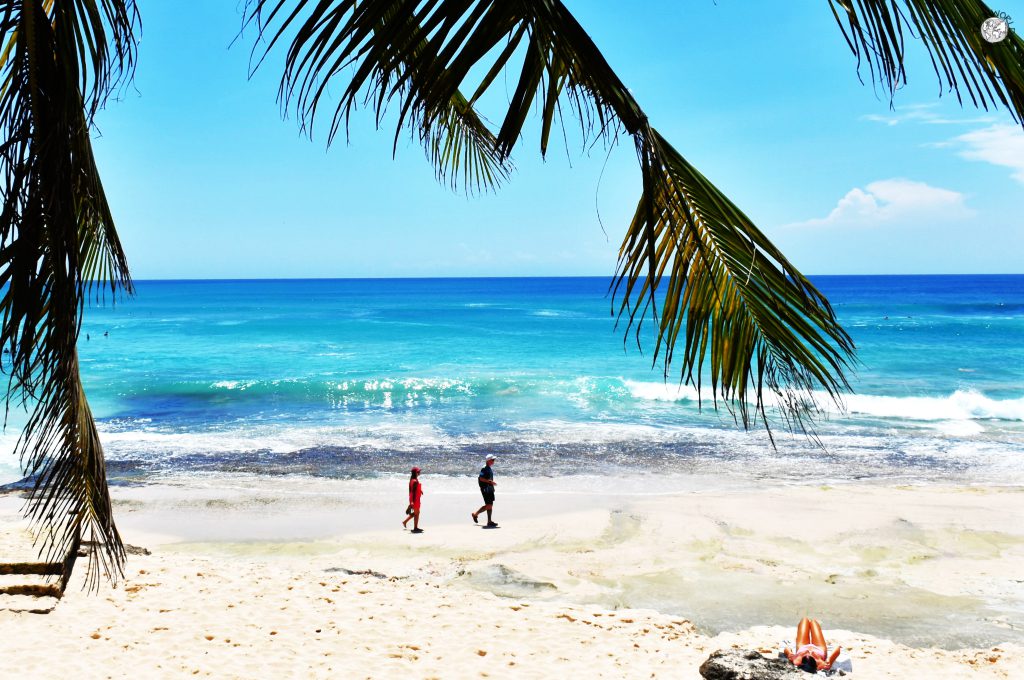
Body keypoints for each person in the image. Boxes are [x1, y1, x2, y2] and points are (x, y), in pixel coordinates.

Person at [471, 454, 498, 527]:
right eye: (492, 460)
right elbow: (481, 478)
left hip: (489, 489)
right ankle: (475, 514)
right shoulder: (484, 468)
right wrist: (490, 482)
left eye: (494, 460)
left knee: (490, 505)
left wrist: (492, 487)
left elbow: (489, 479)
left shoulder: (489, 468)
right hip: (485, 489)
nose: (493, 461)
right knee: (488, 505)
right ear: (488, 460)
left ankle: (489, 521)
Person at [402, 467, 424, 533]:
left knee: (416, 513)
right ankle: (415, 528)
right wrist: (411, 502)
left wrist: (420, 491)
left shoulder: (414, 480)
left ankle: (405, 522)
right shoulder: (414, 481)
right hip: (415, 500)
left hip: (416, 499)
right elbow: (412, 492)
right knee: (416, 514)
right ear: (416, 473)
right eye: (419, 471)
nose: (420, 472)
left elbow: (414, 490)